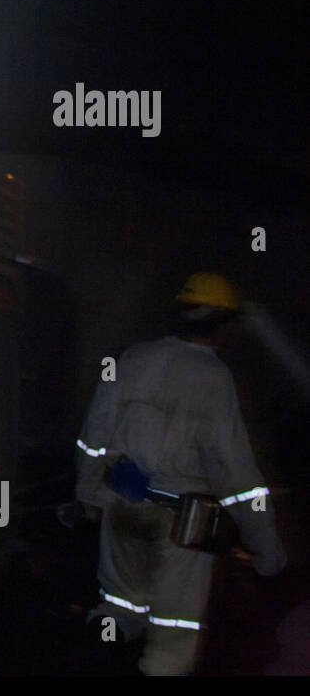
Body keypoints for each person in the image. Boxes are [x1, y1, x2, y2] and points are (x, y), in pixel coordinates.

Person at [73, 272, 287, 675]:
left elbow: (94, 435)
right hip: (183, 524)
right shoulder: (212, 378)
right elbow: (236, 475)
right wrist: (266, 550)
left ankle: (92, 659)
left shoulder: (134, 358)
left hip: (122, 504)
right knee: (173, 636)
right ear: (223, 325)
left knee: (118, 608)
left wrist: (88, 494)